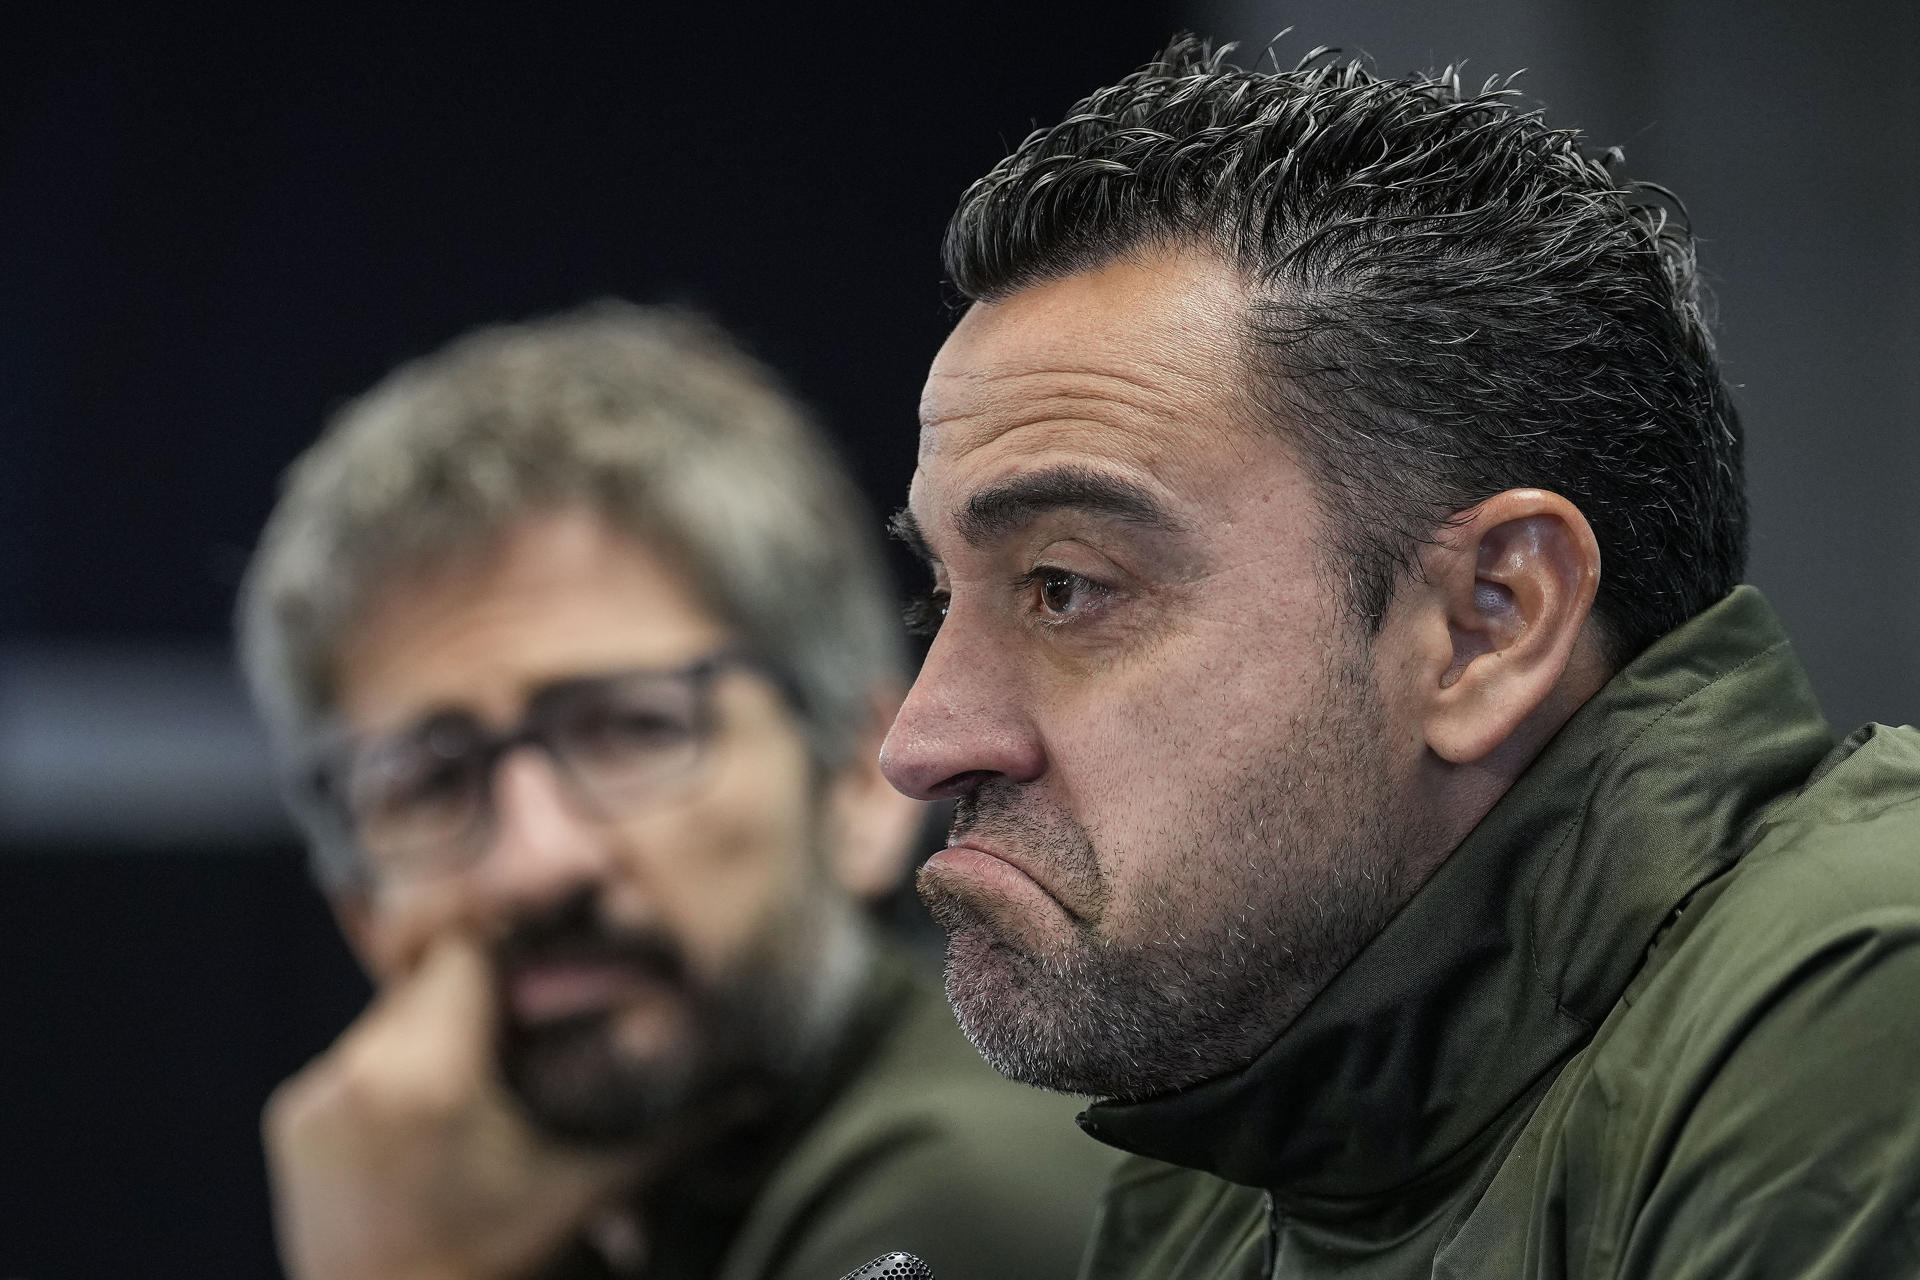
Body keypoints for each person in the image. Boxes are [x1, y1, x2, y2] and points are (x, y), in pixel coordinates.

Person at [878, 34, 1920, 1280]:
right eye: (942, 595)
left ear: (1490, 620)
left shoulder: (1864, 1000)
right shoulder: (1218, 1175)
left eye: (1065, 588)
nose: (922, 741)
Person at [237, 303, 1115, 1280]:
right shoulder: (654, 1221)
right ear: (360, 906)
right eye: (430, 781)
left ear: (855, 784)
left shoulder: (954, 1201)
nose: (535, 862)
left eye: (628, 728)